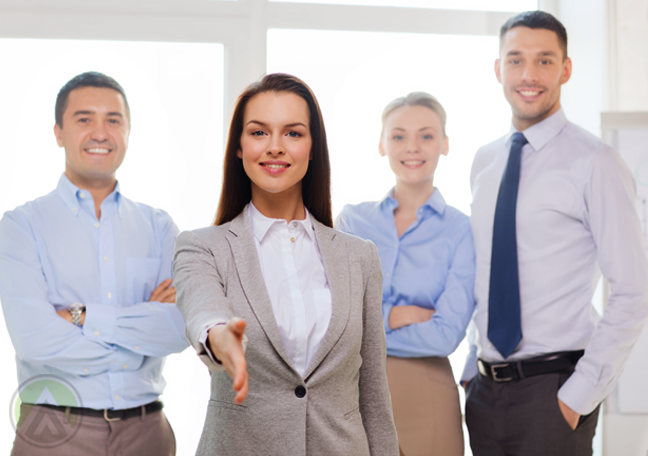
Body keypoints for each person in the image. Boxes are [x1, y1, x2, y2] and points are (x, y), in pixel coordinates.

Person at [173, 73, 399, 456]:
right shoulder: (202, 247)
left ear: (313, 149)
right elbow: (202, 306)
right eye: (259, 133)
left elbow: (373, 393)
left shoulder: (358, 256)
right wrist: (218, 336)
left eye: (293, 133)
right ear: (239, 148)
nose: (275, 147)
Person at [461, 10, 648, 456]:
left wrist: (577, 397)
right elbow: (488, 272)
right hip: (485, 395)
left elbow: (633, 289)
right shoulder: (484, 163)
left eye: (545, 60)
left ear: (565, 69)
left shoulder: (596, 162)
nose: (529, 74)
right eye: (515, 60)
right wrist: (471, 367)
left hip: (554, 393)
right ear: (498, 69)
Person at [0, 71, 188, 456]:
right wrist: (140, 329)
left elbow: (180, 329)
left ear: (128, 131)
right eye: (84, 119)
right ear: (58, 132)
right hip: (55, 431)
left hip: (147, 432)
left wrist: (80, 316)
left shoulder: (159, 226)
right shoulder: (21, 227)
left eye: (113, 120)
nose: (100, 132)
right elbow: (34, 339)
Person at [336, 92, 475, 456]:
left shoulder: (462, 230)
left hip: (426, 392)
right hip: (351, 394)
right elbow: (334, 317)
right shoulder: (352, 221)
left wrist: (367, 324)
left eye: (426, 135)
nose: (412, 147)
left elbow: (446, 336)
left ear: (445, 144)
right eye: (398, 136)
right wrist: (397, 316)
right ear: (381, 145)